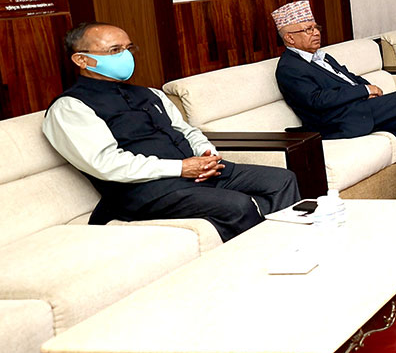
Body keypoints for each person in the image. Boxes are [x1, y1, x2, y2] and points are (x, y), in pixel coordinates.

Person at [42, 22, 300, 241]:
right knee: (237, 205)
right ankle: (260, 257)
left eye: (128, 48)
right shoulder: (70, 107)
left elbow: (186, 130)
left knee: (281, 180)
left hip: (197, 174)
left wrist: (206, 154)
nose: (126, 56)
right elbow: (106, 164)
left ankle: (287, 244)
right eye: (115, 50)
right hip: (144, 191)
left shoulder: (149, 93)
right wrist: (181, 168)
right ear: (81, 59)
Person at [272, 0, 396, 198]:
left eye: (316, 27)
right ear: (289, 38)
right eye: (308, 30)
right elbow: (316, 100)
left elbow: (350, 77)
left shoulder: (322, 56)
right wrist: (363, 91)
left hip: (358, 109)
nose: (316, 33)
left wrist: (366, 89)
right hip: (336, 120)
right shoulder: (289, 68)